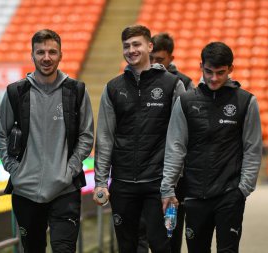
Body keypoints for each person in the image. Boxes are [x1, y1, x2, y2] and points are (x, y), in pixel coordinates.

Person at [0, 29, 94, 253]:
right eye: (40, 52)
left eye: (52, 52)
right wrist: (15, 170)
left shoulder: (76, 91)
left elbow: (86, 136)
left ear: (61, 55)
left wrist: (70, 170)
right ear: (32, 55)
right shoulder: (15, 92)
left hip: (65, 189)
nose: (46, 57)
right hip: (25, 191)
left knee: (64, 249)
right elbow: (1, 135)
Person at [161, 41, 262, 253]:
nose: (214, 78)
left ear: (230, 69)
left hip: (230, 194)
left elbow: (252, 149)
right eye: (209, 71)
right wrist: (168, 187)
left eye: (220, 72)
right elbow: (175, 147)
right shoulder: (186, 102)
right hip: (194, 195)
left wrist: (243, 189)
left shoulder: (246, 102)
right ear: (201, 66)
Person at [93, 24, 186, 253]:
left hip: (158, 184)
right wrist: (101, 182)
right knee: (127, 247)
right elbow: (105, 138)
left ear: (149, 46)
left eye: (137, 44)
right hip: (123, 184)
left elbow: (180, 139)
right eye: (126, 46)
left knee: (162, 246)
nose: (131, 50)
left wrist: (170, 184)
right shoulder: (113, 88)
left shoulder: (172, 85)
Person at [136, 32, 194, 253]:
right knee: (141, 231)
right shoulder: (138, 81)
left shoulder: (184, 84)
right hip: (145, 169)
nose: (155, 63)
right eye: (152, 58)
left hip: (174, 172)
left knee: (170, 233)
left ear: (171, 57)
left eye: (160, 59)